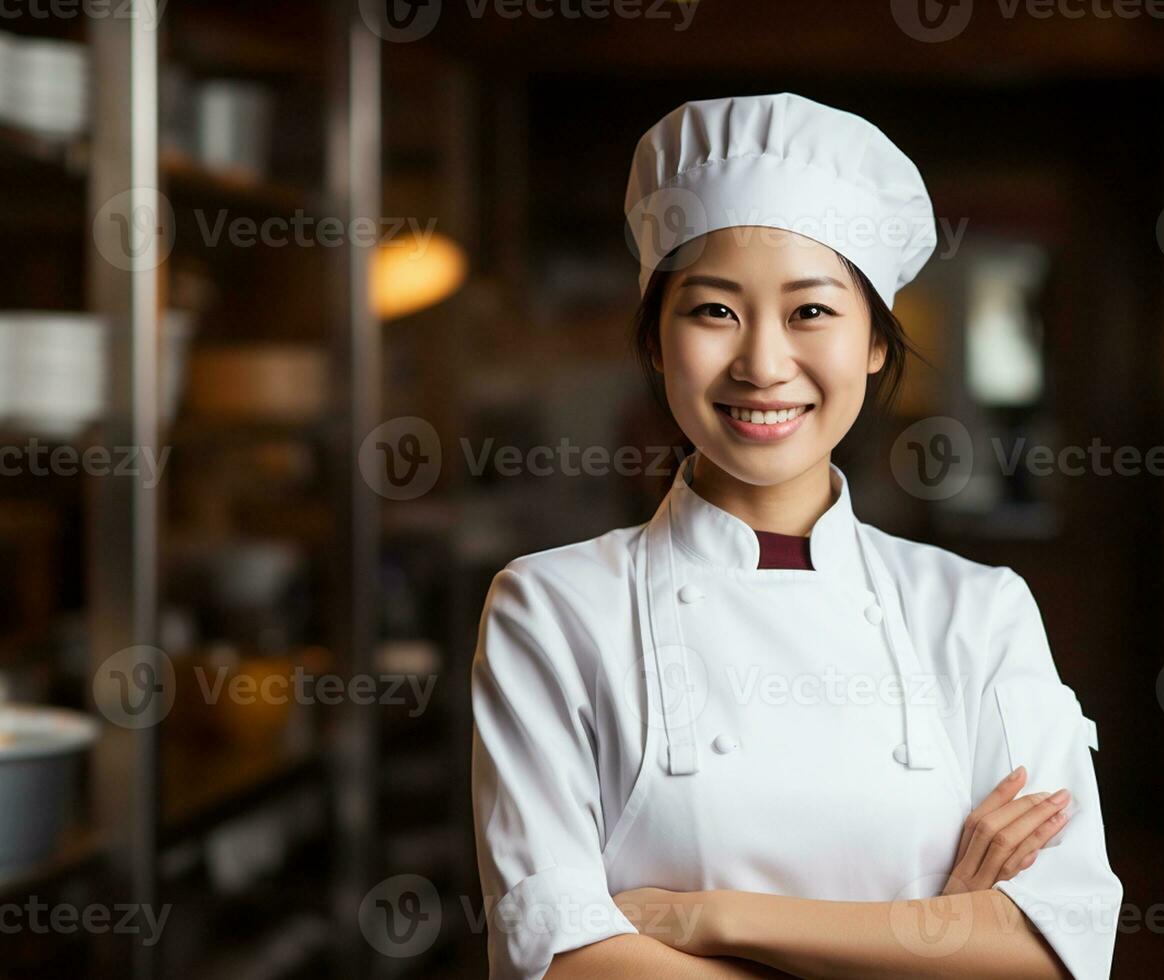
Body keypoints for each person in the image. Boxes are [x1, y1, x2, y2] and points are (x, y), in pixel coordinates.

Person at [471, 92, 1123, 980]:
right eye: (713, 311)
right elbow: (558, 956)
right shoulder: (550, 607)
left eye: (811, 312)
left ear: (875, 345)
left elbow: (1057, 947)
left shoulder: (980, 612)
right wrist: (932, 937)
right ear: (657, 342)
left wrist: (708, 918)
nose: (764, 365)